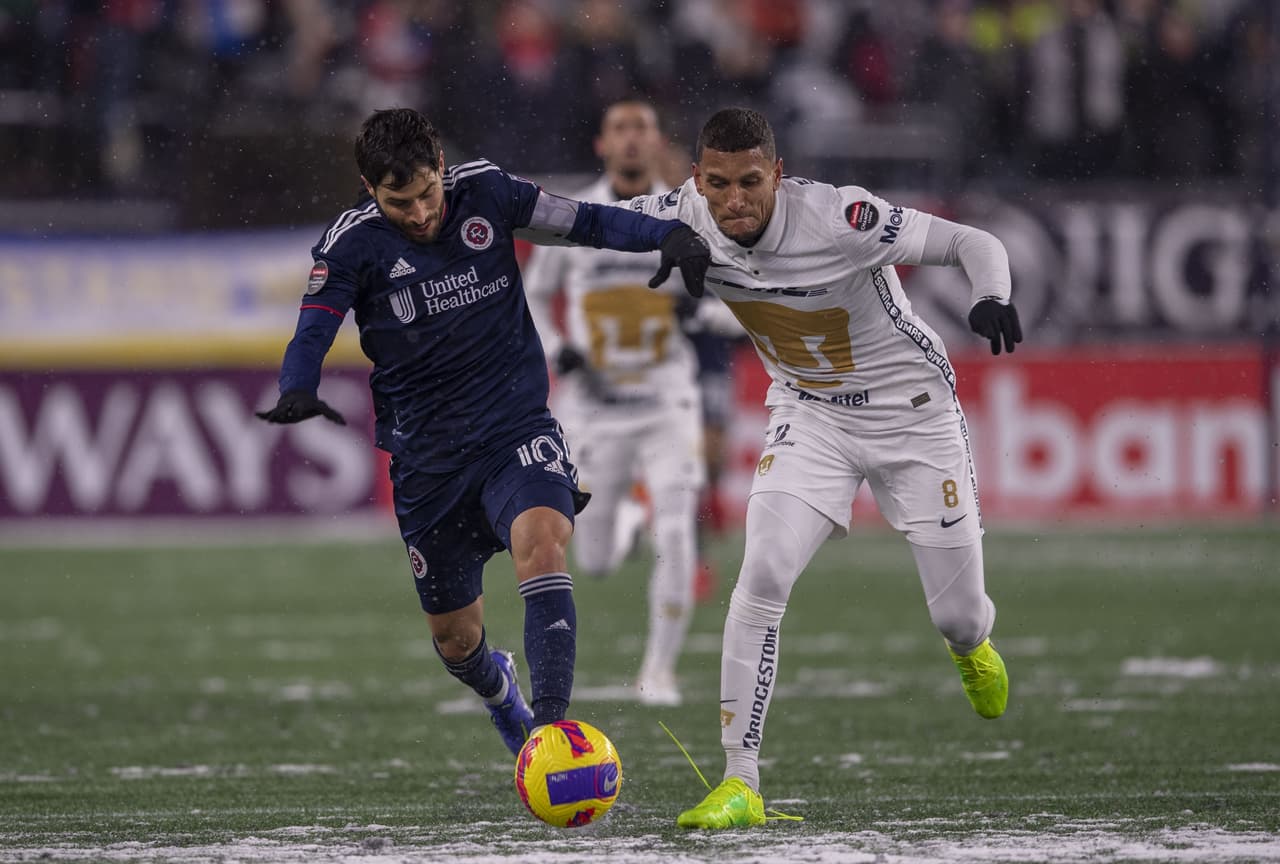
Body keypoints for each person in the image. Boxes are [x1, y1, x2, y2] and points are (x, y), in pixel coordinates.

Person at [254, 107, 710, 757]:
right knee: (456, 640)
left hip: (514, 429)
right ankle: (501, 694)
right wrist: (298, 386)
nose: (419, 213)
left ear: (441, 166)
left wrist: (664, 235)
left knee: (544, 543)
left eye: (426, 193)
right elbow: (315, 323)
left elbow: (585, 220)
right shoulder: (351, 243)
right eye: (398, 202)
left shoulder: (488, 192)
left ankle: (551, 733)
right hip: (428, 461)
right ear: (367, 186)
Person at [617, 107, 1022, 829]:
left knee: (958, 617)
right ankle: (740, 781)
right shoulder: (682, 215)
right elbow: (567, 221)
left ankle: (971, 646)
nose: (734, 201)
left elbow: (973, 241)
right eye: (718, 184)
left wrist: (991, 296)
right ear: (697, 179)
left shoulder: (843, 217)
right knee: (762, 573)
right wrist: (471, 209)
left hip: (913, 414)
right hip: (811, 415)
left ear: (777, 174)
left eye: (750, 182)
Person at [524, 99, 730, 706]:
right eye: (621, 128)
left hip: (667, 399)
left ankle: (659, 671)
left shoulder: (692, 216)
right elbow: (532, 296)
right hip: (594, 405)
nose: (633, 139)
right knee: (592, 559)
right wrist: (558, 348)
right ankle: (629, 522)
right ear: (602, 144)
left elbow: (741, 303)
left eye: (643, 128)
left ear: (658, 141)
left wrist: (702, 312)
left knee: (678, 528)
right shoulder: (572, 216)